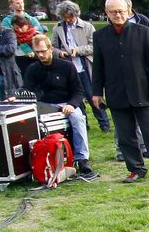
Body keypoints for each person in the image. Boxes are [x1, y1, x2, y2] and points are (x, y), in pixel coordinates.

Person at [91, 0, 149, 185]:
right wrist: (96, 92)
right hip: (116, 92)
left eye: (121, 11)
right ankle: (136, 169)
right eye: (113, 12)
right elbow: (98, 66)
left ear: (128, 11)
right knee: (125, 135)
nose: (118, 15)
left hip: (142, 91)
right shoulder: (100, 36)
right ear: (107, 13)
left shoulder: (142, 31)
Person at [23, 34, 97, 178]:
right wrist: (18, 95)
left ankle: (82, 158)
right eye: (37, 52)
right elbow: (27, 89)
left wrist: (71, 105)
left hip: (66, 102)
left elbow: (78, 91)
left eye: (43, 51)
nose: (40, 55)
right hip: (44, 105)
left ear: (51, 49)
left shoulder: (67, 66)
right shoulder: (33, 69)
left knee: (77, 119)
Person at [52, 1, 112, 133]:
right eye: (65, 17)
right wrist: (60, 53)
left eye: (70, 17)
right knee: (76, 98)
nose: (68, 20)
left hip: (85, 66)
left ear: (76, 14)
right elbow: (53, 47)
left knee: (93, 96)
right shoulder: (58, 28)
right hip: (69, 68)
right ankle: (84, 125)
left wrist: (78, 50)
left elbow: (94, 46)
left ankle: (104, 124)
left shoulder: (87, 27)